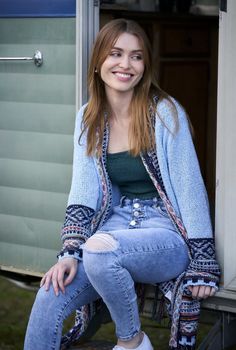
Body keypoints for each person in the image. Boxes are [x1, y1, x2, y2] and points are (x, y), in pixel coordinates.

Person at [24, 19, 220, 350]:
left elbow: (190, 189)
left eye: (136, 56)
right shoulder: (89, 117)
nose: (126, 65)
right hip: (116, 229)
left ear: (146, 65)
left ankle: (131, 341)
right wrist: (70, 252)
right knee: (50, 293)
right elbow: (83, 190)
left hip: (165, 236)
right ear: (99, 60)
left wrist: (203, 260)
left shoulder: (165, 113)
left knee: (99, 250)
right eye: (116, 53)